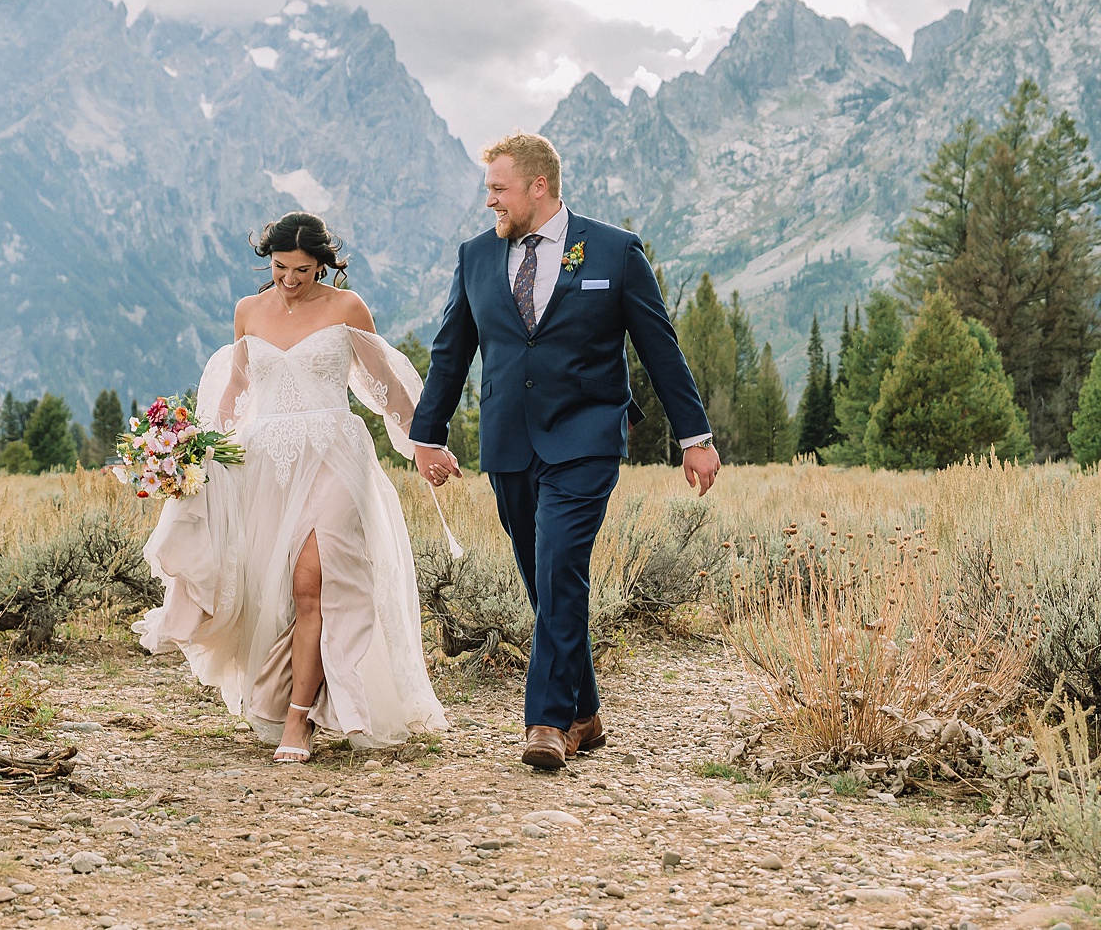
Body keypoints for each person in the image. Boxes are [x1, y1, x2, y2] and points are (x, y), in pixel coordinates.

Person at [411, 132, 718, 772]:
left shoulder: (613, 250)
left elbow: (659, 347)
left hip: (586, 437)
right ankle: (586, 707)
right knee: (541, 575)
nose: (489, 200)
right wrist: (428, 433)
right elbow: (451, 351)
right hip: (508, 441)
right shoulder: (475, 257)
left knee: (557, 567)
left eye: (499, 189)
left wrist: (695, 438)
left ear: (539, 187)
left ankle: (548, 722)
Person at [134, 212, 448, 762]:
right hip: (265, 463)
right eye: (280, 267)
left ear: (323, 265)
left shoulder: (346, 309)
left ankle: (298, 722)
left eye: (302, 270)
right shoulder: (248, 312)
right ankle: (284, 694)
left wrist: (422, 444)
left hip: (333, 454)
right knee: (271, 592)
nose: (289, 279)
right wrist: (193, 451)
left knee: (313, 585)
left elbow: (387, 387)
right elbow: (236, 387)